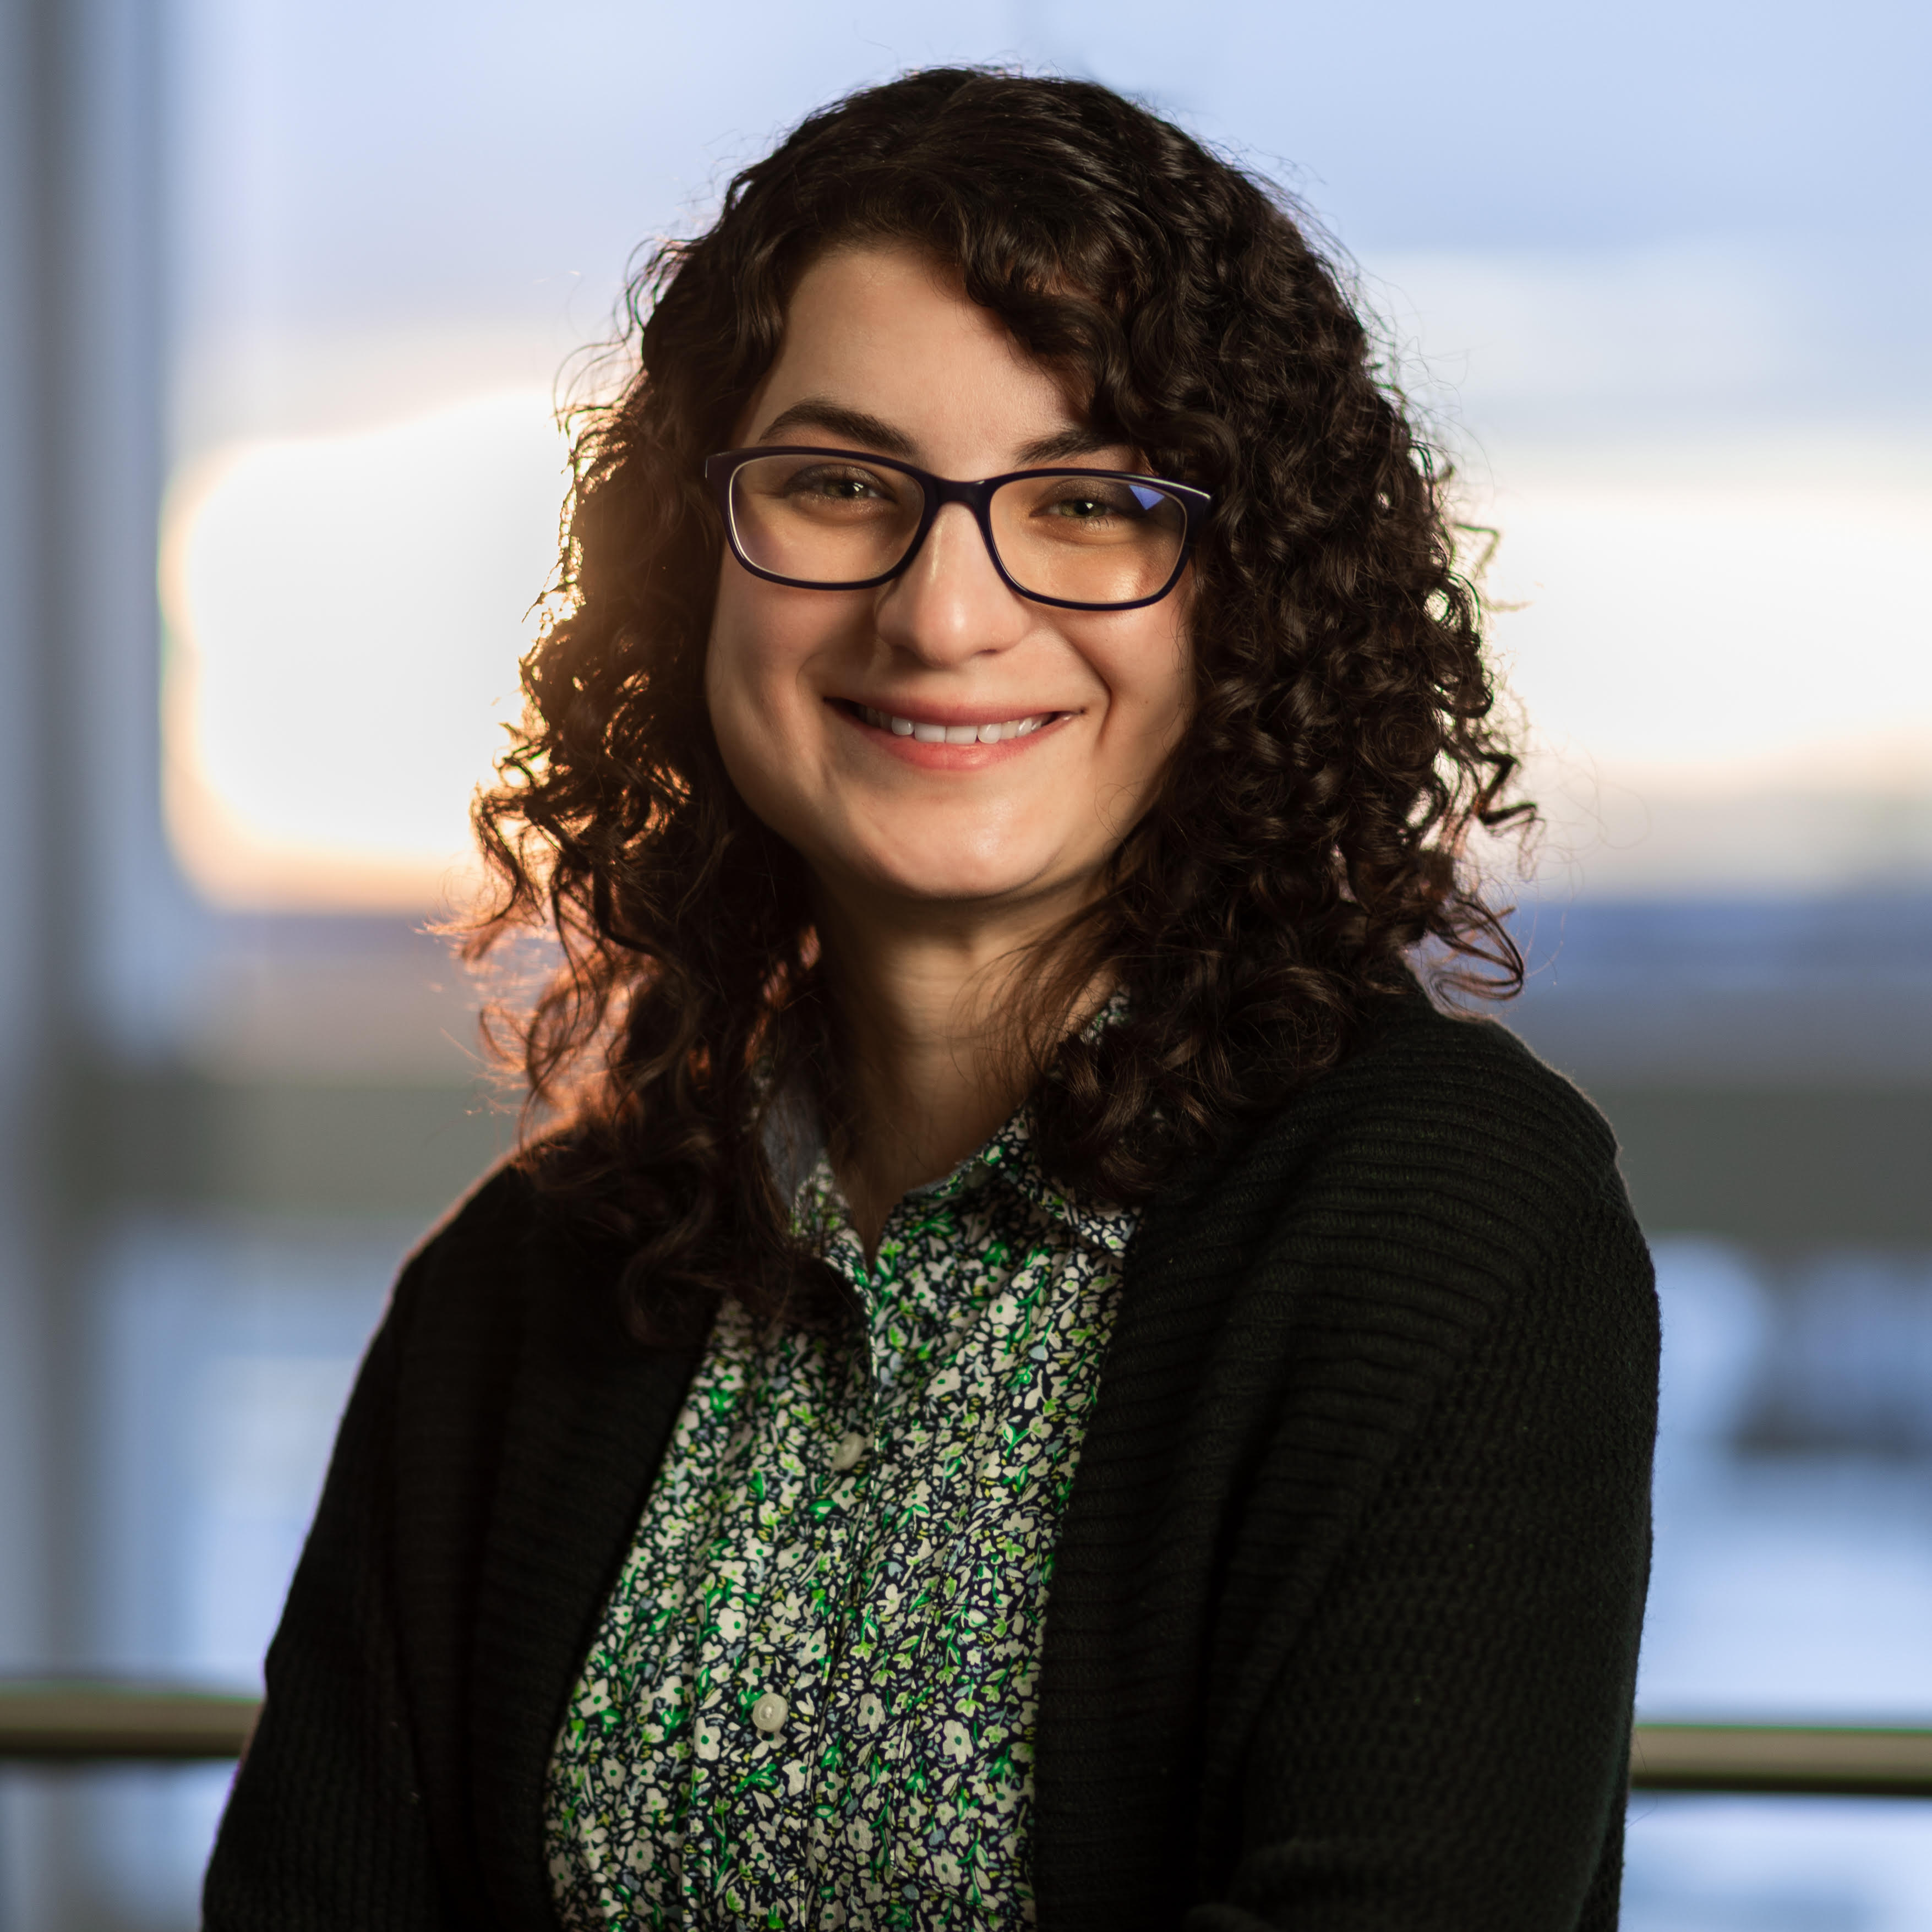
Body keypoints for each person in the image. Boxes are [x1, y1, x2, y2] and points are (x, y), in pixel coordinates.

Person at [203, 67, 1656, 1932]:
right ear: (691, 564)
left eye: (1088, 501)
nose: (947, 614)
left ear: (1248, 595)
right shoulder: (513, 1290)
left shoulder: (1455, 1232)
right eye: (836, 485)